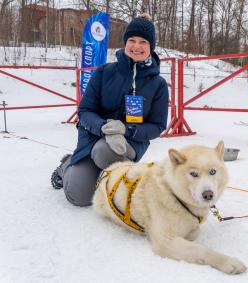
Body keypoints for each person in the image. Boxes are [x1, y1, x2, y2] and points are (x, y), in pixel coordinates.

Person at [50, 14, 169, 206]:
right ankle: (67, 165)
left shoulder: (158, 85)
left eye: (143, 42)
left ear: (151, 47)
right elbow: (85, 110)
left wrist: (126, 130)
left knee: (106, 150)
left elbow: (157, 125)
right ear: (125, 43)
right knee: (78, 196)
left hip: (129, 143)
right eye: (131, 40)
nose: (136, 46)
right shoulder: (104, 72)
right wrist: (103, 127)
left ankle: (112, 179)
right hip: (93, 138)